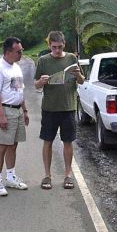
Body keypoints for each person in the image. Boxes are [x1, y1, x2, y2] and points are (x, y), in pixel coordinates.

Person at [34, 31, 85, 190]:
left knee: (68, 142)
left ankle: (68, 175)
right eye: (54, 47)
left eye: (59, 47)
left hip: (68, 107)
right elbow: (35, 84)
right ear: (49, 46)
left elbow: (82, 81)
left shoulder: (71, 58)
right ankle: (47, 176)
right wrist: (41, 82)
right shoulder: (43, 61)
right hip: (49, 108)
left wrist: (77, 75)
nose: (57, 50)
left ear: (64, 45)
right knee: (47, 141)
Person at [0, 37, 29, 196]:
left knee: (13, 145)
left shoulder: (16, 68)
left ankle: (11, 177)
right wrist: (1, 116)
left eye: (22, 50)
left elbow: (20, 90)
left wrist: (25, 111)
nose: (21, 53)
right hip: (5, 111)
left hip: (17, 111)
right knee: (3, 146)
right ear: (8, 52)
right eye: (19, 51)